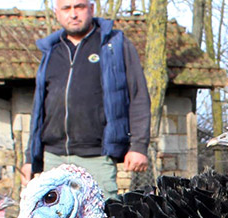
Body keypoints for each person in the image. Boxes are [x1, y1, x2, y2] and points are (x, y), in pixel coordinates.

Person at [21, 0, 151, 195]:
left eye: (79, 7)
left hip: (97, 156)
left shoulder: (113, 45)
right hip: (54, 157)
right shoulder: (51, 51)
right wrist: (31, 158)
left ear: (91, 9)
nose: (73, 14)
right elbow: (39, 109)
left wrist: (138, 146)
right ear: (57, 13)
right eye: (66, 8)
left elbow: (138, 96)